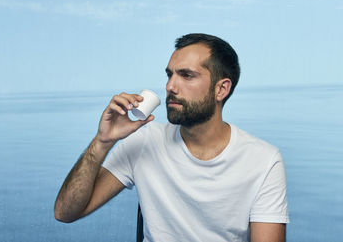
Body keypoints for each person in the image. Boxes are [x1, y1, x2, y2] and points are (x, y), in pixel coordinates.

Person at [54, 33, 289, 242]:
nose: (170, 86)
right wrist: (103, 141)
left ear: (221, 89)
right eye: (170, 75)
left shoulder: (263, 161)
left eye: (186, 75)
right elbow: (65, 213)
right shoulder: (145, 141)